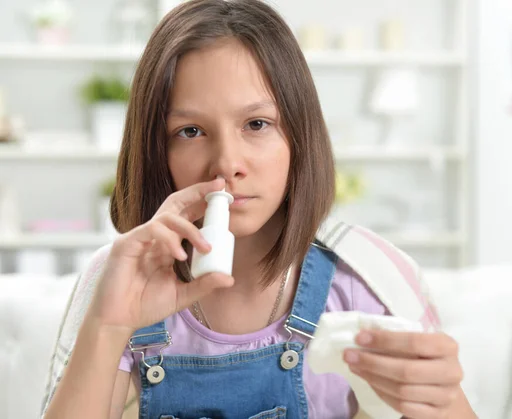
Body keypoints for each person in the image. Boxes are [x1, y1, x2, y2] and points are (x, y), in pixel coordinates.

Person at [41, 1, 476, 418]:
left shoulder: (364, 280)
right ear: (156, 149)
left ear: (298, 135)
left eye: (256, 124)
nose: (227, 163)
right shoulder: (120, 278)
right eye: (190, 131)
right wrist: (108, 327)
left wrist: (440, 399)